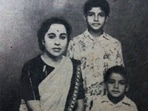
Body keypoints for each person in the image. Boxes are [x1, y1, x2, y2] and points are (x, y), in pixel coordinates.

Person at [67, 0, 124, 110]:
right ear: (85, 17)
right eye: (91, 14)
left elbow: (120, 76)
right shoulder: (75, 43)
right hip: (81, 104)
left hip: (108, 104)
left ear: (107, 18)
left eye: (101, 15)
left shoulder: (114, 44)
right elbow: (69, 78)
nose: (96, 19)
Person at [20, 17, 85, 111]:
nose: (57, 42)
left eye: (62, 37)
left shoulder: (74, 66)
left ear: (68, 41)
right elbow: (35, 108)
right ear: (43, 40)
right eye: (51, 36)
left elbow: (80, 106)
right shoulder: (31, 67)